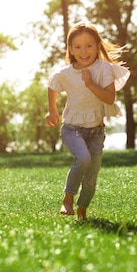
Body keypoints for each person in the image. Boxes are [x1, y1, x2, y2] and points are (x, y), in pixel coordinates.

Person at [45, 22, 130, 220]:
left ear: (98, 46)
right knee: (83, 158)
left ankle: (82, 211)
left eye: (89, 45)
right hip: (72, 128)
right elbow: (52, 85)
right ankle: (68, 198)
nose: (84, 51)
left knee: (91, 176)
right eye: (78, 46)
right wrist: (52, 111)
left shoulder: (104, 69)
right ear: (71, 50)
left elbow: (109, 98)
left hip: (96, 132)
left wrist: (91, 84)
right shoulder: (65, 73)